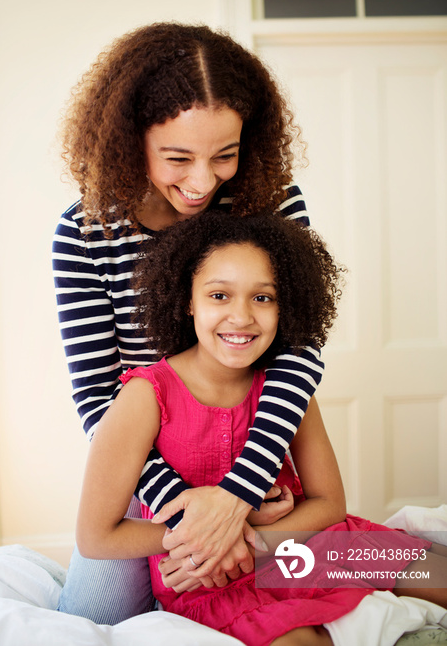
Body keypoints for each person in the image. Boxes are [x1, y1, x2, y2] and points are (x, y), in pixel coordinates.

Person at [53, 22, 324, 623]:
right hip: (146, 481)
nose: (202, 182)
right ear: (129, 141)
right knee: (93, 622)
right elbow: (98, 396)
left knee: (361, 583)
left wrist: (236, 498)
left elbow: (299, 350)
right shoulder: (85, 232)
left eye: (224, 156)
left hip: (253, 465)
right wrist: (190, 517)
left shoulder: (271, 201)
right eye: (178, 158)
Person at [75, 211, 446, 646]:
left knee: (436, 573)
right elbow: (95, 536)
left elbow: (329, 503)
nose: (241, 317)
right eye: (219, 295)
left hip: (305, 546)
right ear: (187, 300)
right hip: (210, 580)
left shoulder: (286, 389)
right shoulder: (144, 396)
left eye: (263, 298)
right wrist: (206, 544)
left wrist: (247, 536)